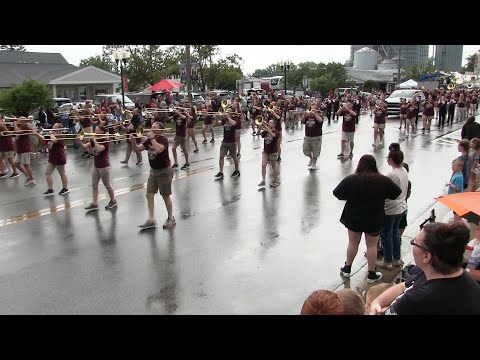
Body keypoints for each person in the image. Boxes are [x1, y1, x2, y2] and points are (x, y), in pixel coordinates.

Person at [369, 222, 480, 315]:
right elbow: (404, 286)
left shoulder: (418, 298)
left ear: (426, 256)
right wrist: (377, 302)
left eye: (414, 243)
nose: (413, 245)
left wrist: (374, 306)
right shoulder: (442, 272)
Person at [333, 155, 402, 284]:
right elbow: (396, 192)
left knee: (353, 243)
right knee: (372, 245)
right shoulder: (383, 180)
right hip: (374, 218)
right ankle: (371, 273)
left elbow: (337, 193)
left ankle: (347, 268)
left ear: (359, 165)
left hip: (354, 217)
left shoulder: (351, 179)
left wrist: (351, 196)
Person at [130, 122, 175, 229]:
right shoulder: (149, 140)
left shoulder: (163, 139)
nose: (151, 128)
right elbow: (137, 149)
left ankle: (171, 218)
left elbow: (159, 150)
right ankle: (151, 219)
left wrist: (152, 138)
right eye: (151, 127)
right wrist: (133, 142)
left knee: (165, 196)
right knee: (149, 194)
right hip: (153, 171)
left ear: (160, 130)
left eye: (154, 127)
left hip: (164, 171)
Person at [377, 149, 409, 270]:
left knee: (387, 234)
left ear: (391, 160)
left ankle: (387, 260)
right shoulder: (404, 170)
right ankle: (396, 258)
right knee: (395, 233)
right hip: (402, 205)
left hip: (391, 208)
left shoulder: (392, 174)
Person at [78, 124, 118, 212]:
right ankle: (94, 203)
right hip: (96, 165)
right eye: (95, 130)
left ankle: (113, 201)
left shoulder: (105, 140)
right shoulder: (94, 139)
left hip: (104, 166)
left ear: (102, 131)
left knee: (107, 185)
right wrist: (79, 141)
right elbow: (85, 147)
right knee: (94, 185)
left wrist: (94, 140)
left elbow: (99, 149)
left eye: (97, 130)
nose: (95, 132)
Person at [37, 123, 69, 195]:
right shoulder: (52, 135)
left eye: (55, 126)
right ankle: (50, 189)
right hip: (52, 157)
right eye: (53, 126)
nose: (52, 127)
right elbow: (44, 142)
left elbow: (54, 141)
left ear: (59, 129)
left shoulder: (61, 135)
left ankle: (65, 188)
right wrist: (37, 134)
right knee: (47, 173)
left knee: (62, 173)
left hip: (59, 157)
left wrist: (51, 134)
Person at [214, 109, 240, 179]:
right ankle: (221, 172)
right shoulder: (224, 119)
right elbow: (216, 124)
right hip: (225, 142)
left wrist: (228, 116)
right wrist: (216, 117)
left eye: (228, 111)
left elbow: (233, 123)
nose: (226, 112)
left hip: (232, 142)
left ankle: (237, 170)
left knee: (234, 157)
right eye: (226, 111)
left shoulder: (235, 118)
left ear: (231, 112)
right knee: (221, 157)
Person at [258, 119, 280, 187]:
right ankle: (263, 181)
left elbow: (273, 135)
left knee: (273, 167)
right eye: (269, 122)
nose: (269, 124)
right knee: (263, 165)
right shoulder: (266, 131)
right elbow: (258, 134)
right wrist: (259, 127)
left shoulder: (277, 132)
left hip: (273, 152)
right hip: (265, 151)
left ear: (274, 125)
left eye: (271, 123)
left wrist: (266, 128)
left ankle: (275, 181)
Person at [302, 104, 324, 170]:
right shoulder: (307, 116)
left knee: (316, 151)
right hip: (307, 136)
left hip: (316, 137)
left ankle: (314, 163)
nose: (312, 111)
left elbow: (320, 121)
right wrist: (304, 115)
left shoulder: (319, 116)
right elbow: (302, 121)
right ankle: (311, 159)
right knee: (305, 150)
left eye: (314, 109)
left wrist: (314, 114)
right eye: (311, 109)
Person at [0, 114, 18, 178]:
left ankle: (15, 172)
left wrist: (4, 126)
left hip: (7, 144)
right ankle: (2, 172)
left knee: (10, 159)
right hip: (2, 144)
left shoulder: (3, 124)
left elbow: (9, 133)